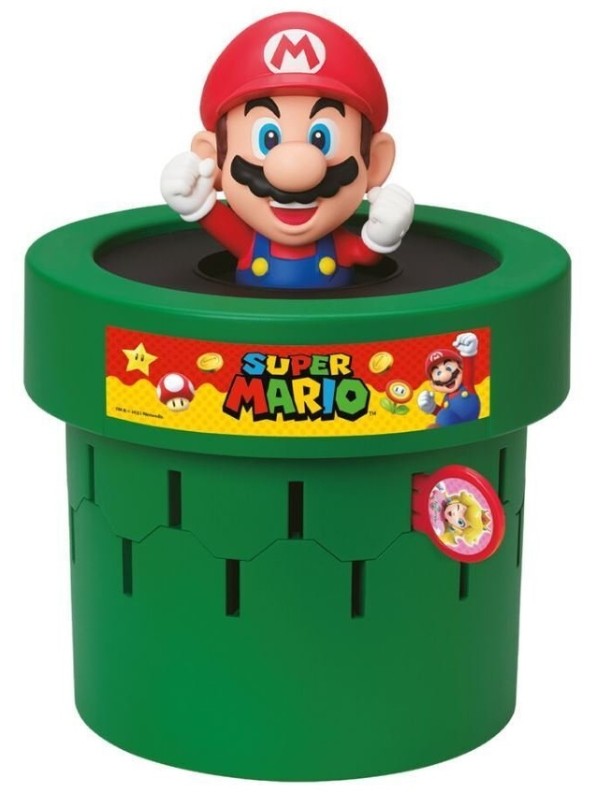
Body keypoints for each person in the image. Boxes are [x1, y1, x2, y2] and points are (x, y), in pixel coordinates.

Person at [160, 12, 414, 289]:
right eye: (268, 139)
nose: (293, 173)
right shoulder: (250, 243)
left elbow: (363, 254)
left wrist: (383, 235)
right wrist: (195, 201)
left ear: (374, 162)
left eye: (321, 139)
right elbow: (224, 227)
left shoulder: (337, 245)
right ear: (213, 158)